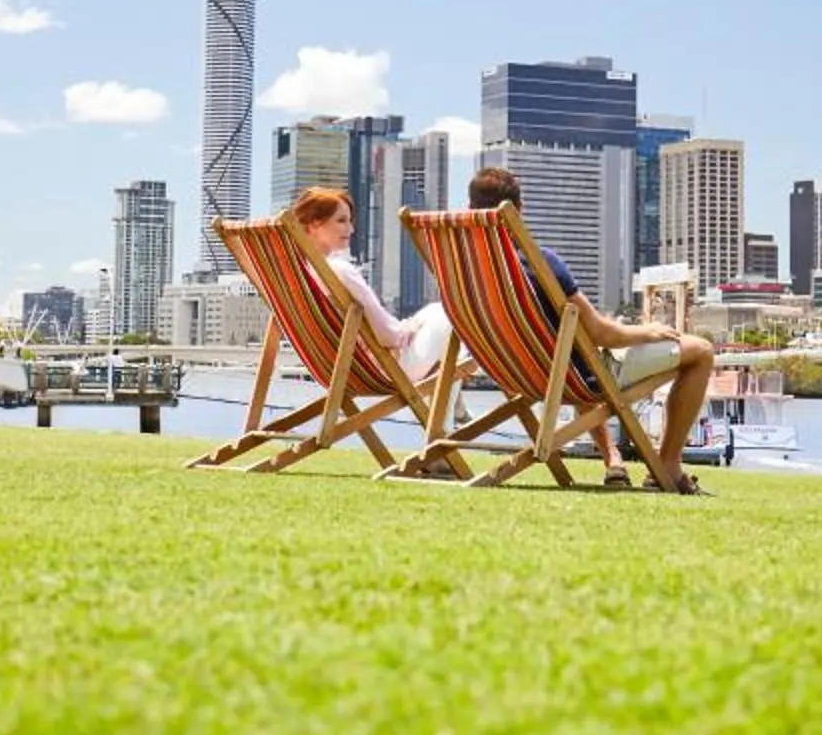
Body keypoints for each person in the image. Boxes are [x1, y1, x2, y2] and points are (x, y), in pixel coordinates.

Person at [464, 164, 717, 494]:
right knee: (701, 351)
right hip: (570, 377)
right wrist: (649, 330)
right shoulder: (540, 263)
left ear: (470, 209)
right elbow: (602, 334)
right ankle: (667, 465)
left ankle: (613, 459)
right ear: (518, 211)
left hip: (515, 373)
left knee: (574, 349)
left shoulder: (466, 269)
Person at [291, 187, 452, 384]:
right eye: (341, 221)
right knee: (449, 312)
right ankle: (447, 402)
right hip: (386, 368)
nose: (351, 229)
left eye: (350, 221)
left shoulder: (300, 276)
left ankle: (450, 402)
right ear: (314, 224)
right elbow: (387, 337)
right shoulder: (340, 271)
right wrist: (405, 331)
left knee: (432, 312)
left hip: (338, 370)